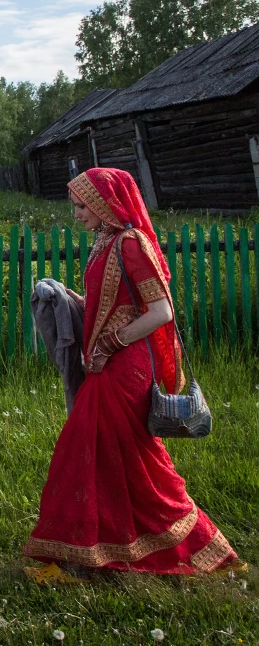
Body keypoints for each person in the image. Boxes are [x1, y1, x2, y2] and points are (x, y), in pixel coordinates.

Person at [22, 168, 239, 581]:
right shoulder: (104, 242)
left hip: (125, 368)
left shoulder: (131, 243)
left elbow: (161, 312)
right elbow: (112, 301)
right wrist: (69, 299)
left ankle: (194, 542)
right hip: (104, 365)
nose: (76, 214)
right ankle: (89, 553)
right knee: (98, 457)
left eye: (82, 205)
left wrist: (110, 343)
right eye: (75, 205)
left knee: (124, 457)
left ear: (107, 203)